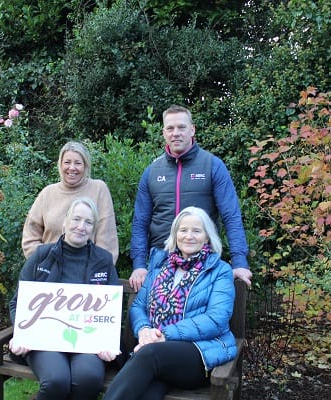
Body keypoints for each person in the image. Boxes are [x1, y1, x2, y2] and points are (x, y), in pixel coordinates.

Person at [104, 206, 236, 400]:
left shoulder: (220, 271)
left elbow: (216, 319)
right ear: (175, 235)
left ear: (207, 237)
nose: (189, 236)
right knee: (149, 392)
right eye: (183, 230)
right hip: (155, 355)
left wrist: (163, 336)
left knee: (149, 356)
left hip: (198, 353)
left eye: (196, 231)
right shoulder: (160, 266)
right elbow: (138, 306)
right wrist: (143, 331)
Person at [129, 105, 251, 291]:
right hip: (160, 260)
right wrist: (138, 265)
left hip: (203, 260)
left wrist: (239, 262)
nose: (175, 133)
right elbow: (140, 223)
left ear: (192, 129)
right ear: (163, 132)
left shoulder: (213, 165)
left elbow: (231, 216)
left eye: (181, 127)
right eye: (170, 128)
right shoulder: (152, 172)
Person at [9, 197, 121, 400]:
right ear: (65, 221)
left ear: (94, 228)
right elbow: (17, 303)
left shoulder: (103, 260)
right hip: (44, 340)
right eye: (76, 219)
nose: (81, 226)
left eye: (88, 222)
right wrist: (22, 334)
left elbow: (112, 310)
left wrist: (108, 342)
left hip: (88, 343)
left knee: (88, 378)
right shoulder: (41, 256)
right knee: (56, 381)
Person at [21, 141, 119, 264]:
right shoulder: (47, 193)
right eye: (67, 162)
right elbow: (30, 238)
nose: (72, 168)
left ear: (85, 165)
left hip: (87, 272)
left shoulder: (99, 189)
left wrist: (93, 270)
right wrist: (47, 262)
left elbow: (107, 241)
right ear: (60, 165)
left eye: (78, 163)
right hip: (49, 272)